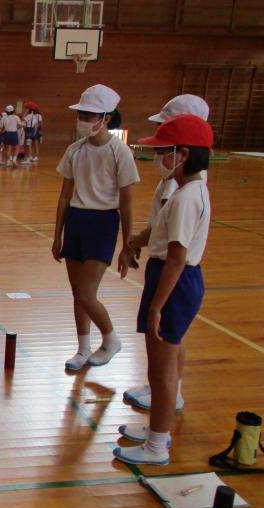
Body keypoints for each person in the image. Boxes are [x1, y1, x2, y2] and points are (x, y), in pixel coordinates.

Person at [114, 115, 213, 465]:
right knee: (159, 367)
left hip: (174, 282)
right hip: (170, 278)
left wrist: (157, 306)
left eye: (163, 152)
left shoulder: (186, 198)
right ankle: (157, 430)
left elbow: (176, 258)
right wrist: (134, 243)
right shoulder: (186, 191)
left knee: (161, 370)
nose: (158, 158)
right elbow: (160, 236)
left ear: (183, 155)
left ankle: (156, 446)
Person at [52, 84, 140, 371]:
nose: (83, 120)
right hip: (76, 220)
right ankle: (83, 349)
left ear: (106, 118)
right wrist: (57, 235)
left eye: (89, 115)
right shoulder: (75, 150)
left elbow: (126, 202)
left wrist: (127, 245)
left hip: (103, 222)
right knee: (77, 292)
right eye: (81, 114)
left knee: (86, 293)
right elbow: (64, 196)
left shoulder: (120, 152)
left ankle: (111, 339)